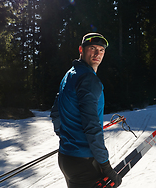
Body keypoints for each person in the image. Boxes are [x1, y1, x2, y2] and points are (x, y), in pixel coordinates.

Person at [50, 33, 122, 188]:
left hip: (66, 158)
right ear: (81, 49)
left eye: (101, 50)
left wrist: (67, 138)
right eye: (92, 48)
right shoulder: (89, 79)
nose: (97, 54)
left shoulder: (69, 75)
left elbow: (56, 113)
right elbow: (91, 125)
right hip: (85, 163)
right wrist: (105, 165)